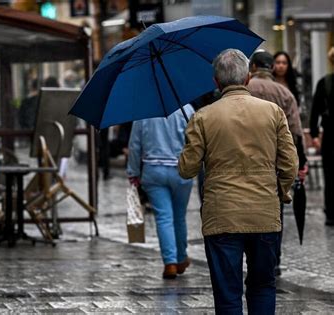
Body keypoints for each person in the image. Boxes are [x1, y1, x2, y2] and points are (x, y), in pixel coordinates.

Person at [179, 49, 298, 314]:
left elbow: (187, 169)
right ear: (247, 78)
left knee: (228, 292)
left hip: (222, 216)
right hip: (264, 213)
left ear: (216, 82)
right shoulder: (273, 113)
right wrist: (280, 193)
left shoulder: (203, 117)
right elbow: (290, 163)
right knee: (263, 285)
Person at [247, 50, 307, 276]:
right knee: (275, 213)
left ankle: (251, 257)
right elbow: (296, 132)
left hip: (245, 159)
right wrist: (300, 163)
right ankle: (274, 260)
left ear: (253, 67)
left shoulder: (244, 90)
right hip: (273, 163)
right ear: (271, 68)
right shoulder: (284, 93)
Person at [127, 105, 195, 279]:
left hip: (153, 169)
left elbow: (135, 145)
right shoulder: (186, 109)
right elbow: (195, 141)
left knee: (164, 217)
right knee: (179, 216)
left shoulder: (143, 112)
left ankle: (170, 262)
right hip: (181, 170)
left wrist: (133, 172)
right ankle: (181, 258)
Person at [310, 46, 334, 226]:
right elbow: (315, 110)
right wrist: (314, 134)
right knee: (330, 176)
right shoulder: (325, 83)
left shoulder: (325, 82)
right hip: (331, 135)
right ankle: (331, 213)